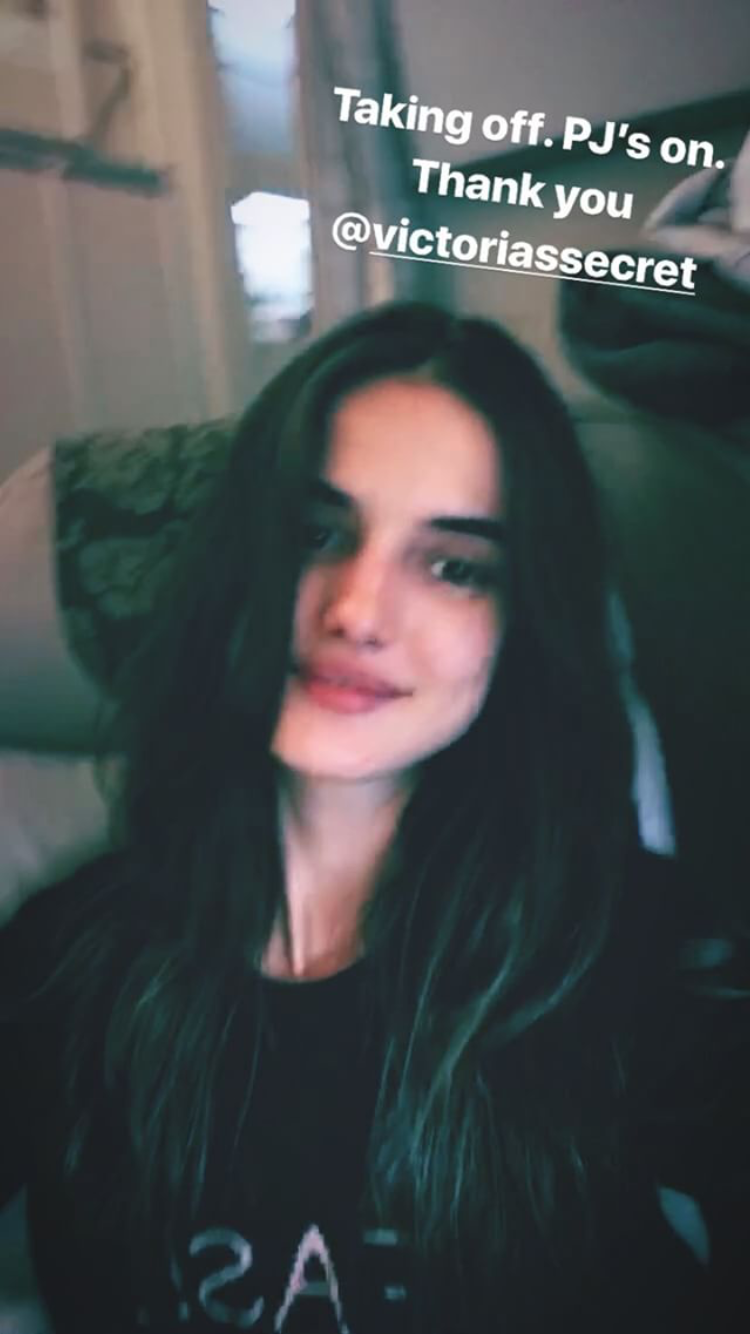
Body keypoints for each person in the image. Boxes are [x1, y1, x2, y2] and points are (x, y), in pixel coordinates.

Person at [1, 301, 748, 1333]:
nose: (356, 610)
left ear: (519, 625)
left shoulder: (642, 956)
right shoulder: (63, 957)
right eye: (316, 532)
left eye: (453, 565)